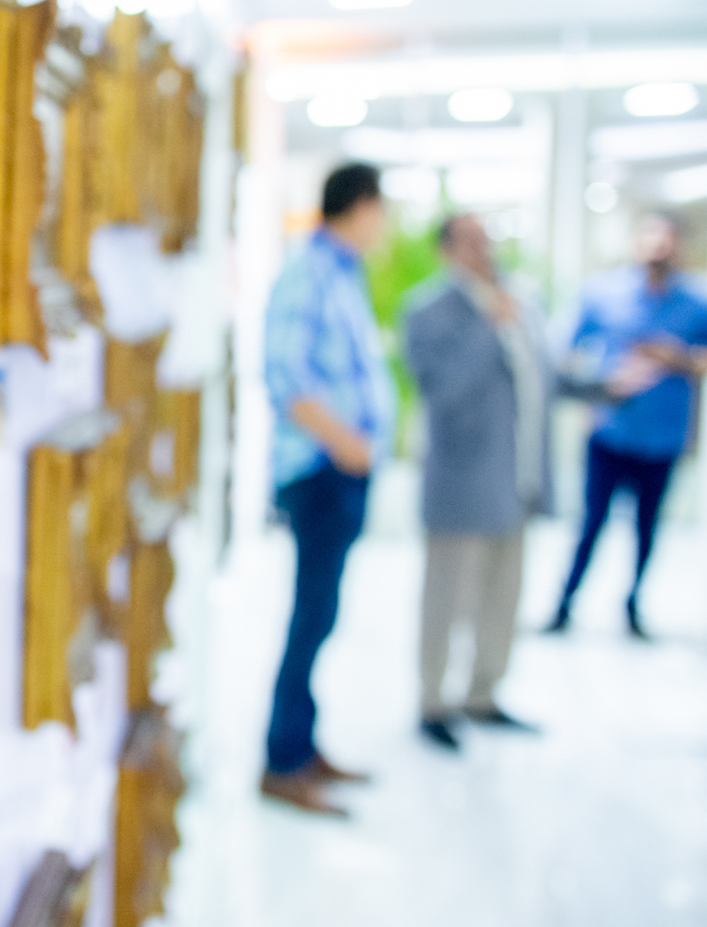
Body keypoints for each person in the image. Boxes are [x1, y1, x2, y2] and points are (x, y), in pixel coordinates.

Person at [260, 162, 395, 816]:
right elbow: (285, 377)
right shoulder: (308, 273)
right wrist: (345, 442)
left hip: (342, 468)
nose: (384, 225)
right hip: (320, 471)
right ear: (361, 206)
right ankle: (282, 762)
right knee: (311, 615)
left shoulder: (344, 273)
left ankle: (303, 745)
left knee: (322, 614)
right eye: (381, 211)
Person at [403, 214, 549, 752]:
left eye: (486, 239)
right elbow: (441, 390)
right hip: (461, 484)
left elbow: (540, 377)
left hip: (516, 477)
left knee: (502, 596)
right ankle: (432, 701)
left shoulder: (520, 299)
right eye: (470, 241)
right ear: (446, 250)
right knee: (446, 598)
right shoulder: (428, 310)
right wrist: (489, 328)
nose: (483, 250)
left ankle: (482, 694)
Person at [547, 212, 707, 638]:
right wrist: (599, 385)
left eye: (667, 240)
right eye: (651, 238)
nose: (659, 248)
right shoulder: (603, 293)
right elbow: (565, 353)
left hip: (663, 437)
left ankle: (633, 606)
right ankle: (564, 604)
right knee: (591, 523)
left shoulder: (697, 303)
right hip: (609, 432)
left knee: (647, 529)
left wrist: (676, 358)